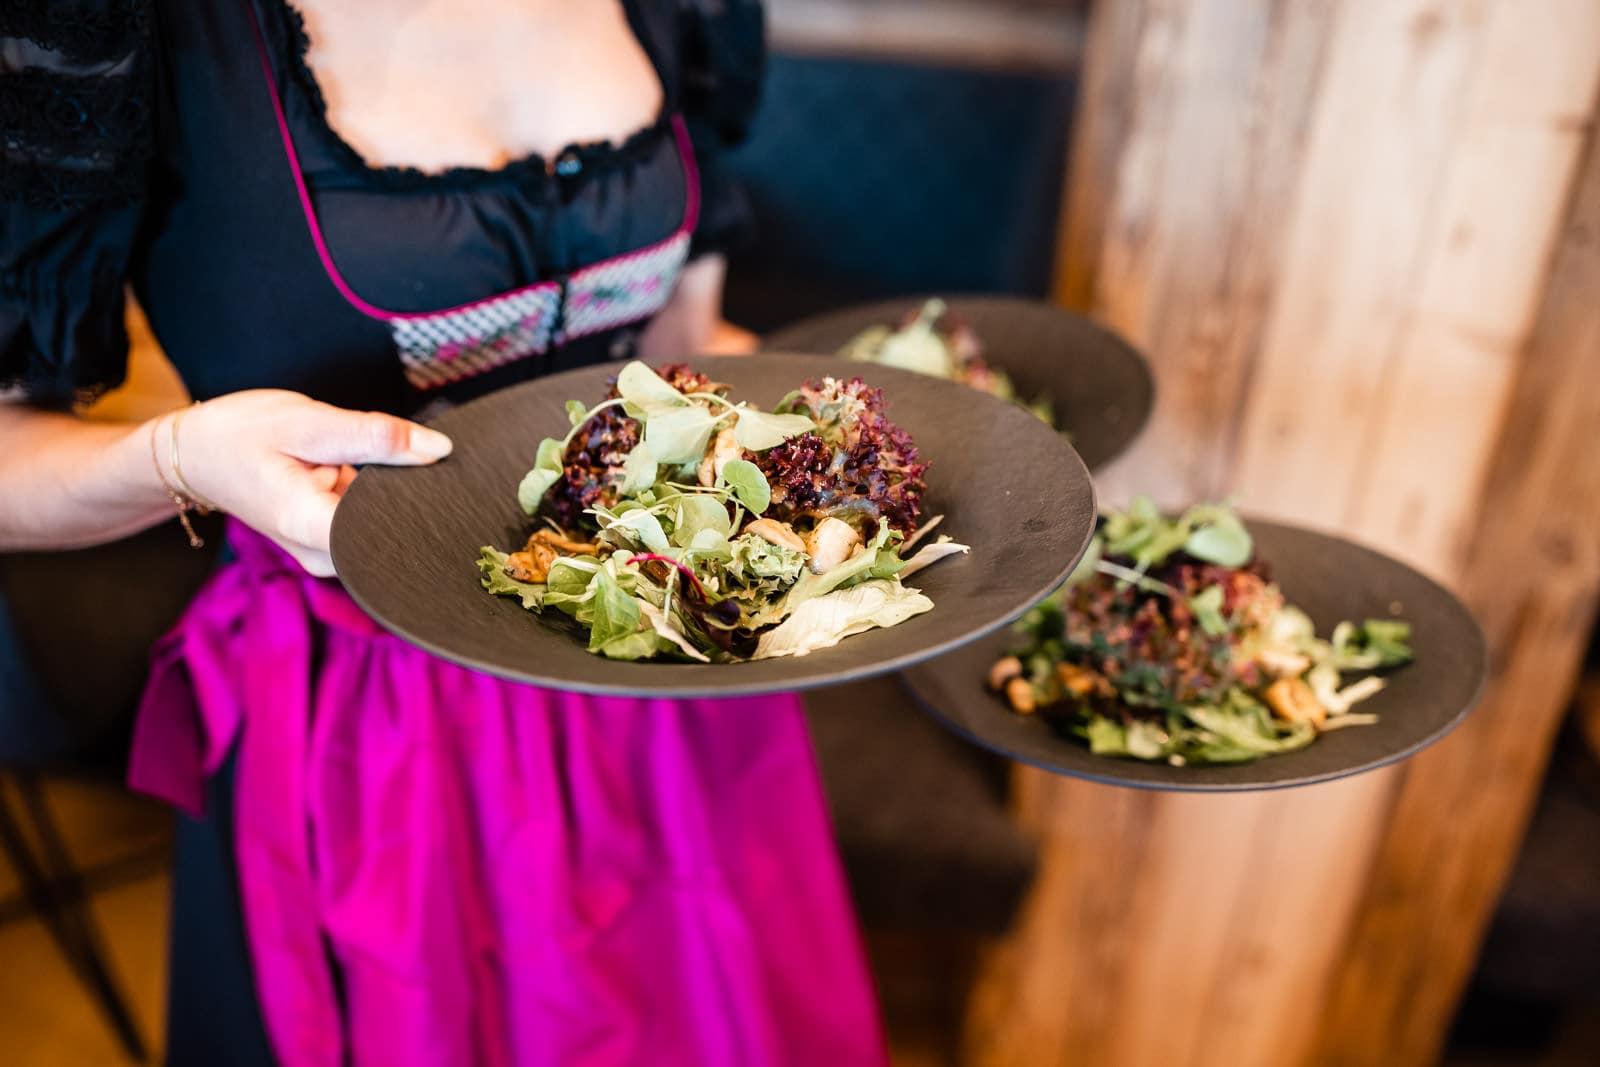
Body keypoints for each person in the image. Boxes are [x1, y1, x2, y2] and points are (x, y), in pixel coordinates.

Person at [0, 2, 886, 1064]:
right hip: (369, 727)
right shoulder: (104, 30)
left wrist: (888, 436)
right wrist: (179, 459)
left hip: (669, 689)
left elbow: (681, 351)